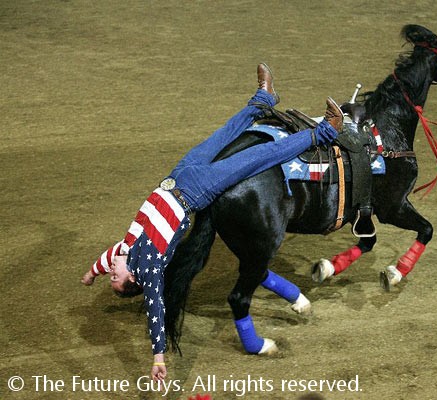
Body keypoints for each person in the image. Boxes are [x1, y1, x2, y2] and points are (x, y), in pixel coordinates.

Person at [81, 63, 343, 381]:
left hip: (177, 175)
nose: (112, 271)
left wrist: (91, 275)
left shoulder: (126, 249)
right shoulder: (148, 271)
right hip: (194, 191)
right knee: (260, 157)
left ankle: (263, 100)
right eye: (114, 279)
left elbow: (106, 259)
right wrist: (157, 358)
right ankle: (326, 131)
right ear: (132, 280)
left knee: (224, 135)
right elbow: (155, 313)